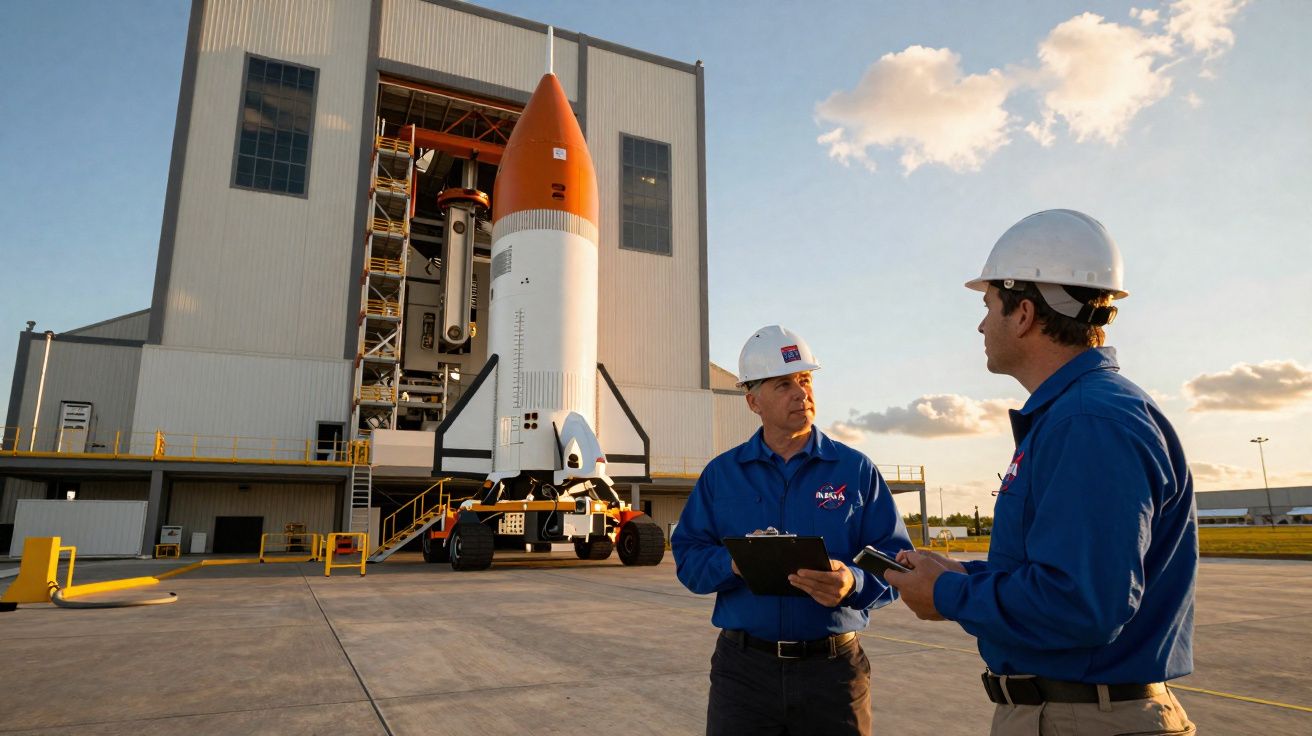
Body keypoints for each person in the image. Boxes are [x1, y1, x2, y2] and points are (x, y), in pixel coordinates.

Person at [885, 210, 1197, 735]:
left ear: (1024, 312)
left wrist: (947, 595)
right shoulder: (1080, 413)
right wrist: (967, 575)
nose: (981, 324)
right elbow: (1063, 572)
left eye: (988, 306)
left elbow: (1081, 603)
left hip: (1084, 718)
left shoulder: (1088, 422)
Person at [672, 325, 913, 736]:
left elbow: (896, 563)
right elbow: (689, 556)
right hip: (743, 674)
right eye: (784, 384)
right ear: (753, 401)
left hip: (834, 674)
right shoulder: (721, 475)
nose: (801, 393)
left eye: (805, 380)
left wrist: (851, 582)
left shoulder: (855, 470)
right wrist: (733, 563)